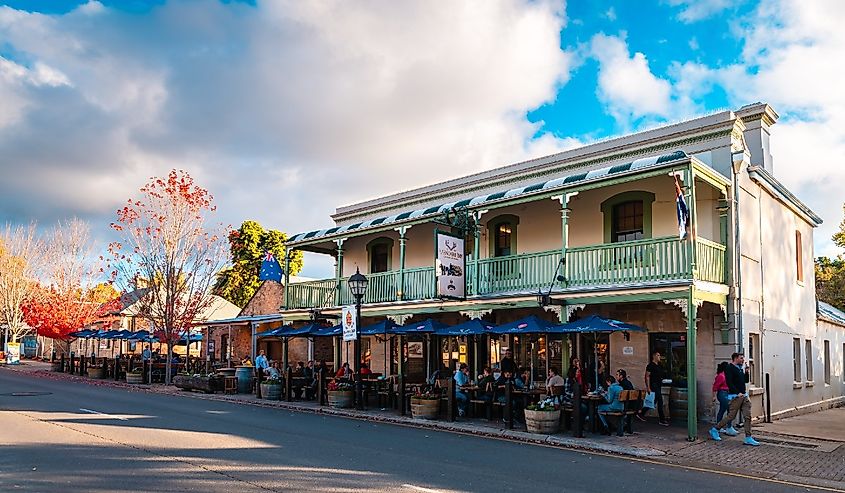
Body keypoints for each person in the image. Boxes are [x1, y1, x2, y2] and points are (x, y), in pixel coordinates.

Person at [710, 353, 760, 446]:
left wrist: (747, 372)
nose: (743, 360)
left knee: (747, 416)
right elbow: (729, 382)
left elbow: (745, 381)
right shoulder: (729, 368)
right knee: (731, 416)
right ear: (735, 358)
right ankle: (715, 429)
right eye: (741, 358)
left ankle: (748, 437)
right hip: (735, 396)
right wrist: (737, 393)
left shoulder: (739, 368)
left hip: (744, 396)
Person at [637, 351, 669, 426]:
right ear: (654, 356)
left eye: (660, 355)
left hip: (659, 384)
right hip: (653, 385)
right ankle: (662, 419)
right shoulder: (650, 365)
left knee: (653, 401)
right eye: (658, 355)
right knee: (660, 401)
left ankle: (641, 413)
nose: (659, 357)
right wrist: (648, 387)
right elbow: (647, 376)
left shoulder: (659, 365)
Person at [712, 362, 731, 426]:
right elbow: (715, 386)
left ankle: (728, 426)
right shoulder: (721, 376)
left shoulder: (726, 375)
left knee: (729, 409)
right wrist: (714, 396)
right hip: (722, 393)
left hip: (727, 393)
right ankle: (719, 425)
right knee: (723, 409)